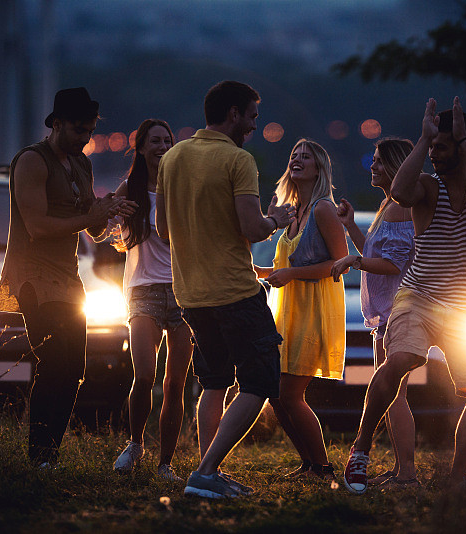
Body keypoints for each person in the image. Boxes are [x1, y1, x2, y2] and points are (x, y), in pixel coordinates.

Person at [342, 97, 466, 494]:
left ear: (464, 145)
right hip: (417, 296)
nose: (434, 154)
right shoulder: (427, 188)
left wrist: (463, 141)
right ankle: (361, 448)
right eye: (431, 147)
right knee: (402, 360)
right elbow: (400, 191)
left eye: (442, 146)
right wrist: (423, 138)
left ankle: (459, 478)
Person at [155, 80, 296, 499]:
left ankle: (207, 472)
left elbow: (163, 230)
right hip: (235, 292)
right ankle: (205, 472)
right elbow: (252, 227)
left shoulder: (172, 157)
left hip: (190, 295)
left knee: (214, 382)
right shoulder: (238, 159)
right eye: (251, 116)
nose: (254, 125)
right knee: (260, 381)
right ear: (233, 113)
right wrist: (277, 220)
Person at [0, 87, 137, 467]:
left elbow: (93, 229)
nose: (85, 138)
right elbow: (37, 227)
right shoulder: (32, 161)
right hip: (34, 276)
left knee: (74, 371)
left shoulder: (82, 164)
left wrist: (107, 212)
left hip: (68, 278)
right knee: (53, 365)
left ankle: (48, 456)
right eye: (78, 130)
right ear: (56, 124)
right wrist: (90, 216)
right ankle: (38, 455)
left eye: (89, 131)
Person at [253, 139, 347, 481]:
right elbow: (287, 265)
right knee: (276, 396)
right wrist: (260, 272)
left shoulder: (323, 209)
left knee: (290, 395)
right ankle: (308, 464)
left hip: (313, 312)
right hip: (288, 314)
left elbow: (341, 263)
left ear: (319, 169)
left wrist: (291, 274)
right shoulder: (294, 211)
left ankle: (323, 468)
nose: (297, 159)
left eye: (306, 157)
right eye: (294, 155)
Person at [109, 119, 193, 482]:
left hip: (183, 291)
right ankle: (135, 444)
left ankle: (165, 465)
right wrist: (105, 214)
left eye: (167, 141)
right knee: (144, 375)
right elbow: (102, 229)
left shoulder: (182, 187)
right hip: (143, 290)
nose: (162, 146)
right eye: (155, 141)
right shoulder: (130, 188)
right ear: (141, 148)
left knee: (175, 384)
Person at [330, 137, 417, 487]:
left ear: (395, 167)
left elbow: (392, 264)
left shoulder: (399, 208)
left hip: (397, 310)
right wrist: (351, 226)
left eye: (380, 161)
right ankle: (400, 470)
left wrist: (354, 260)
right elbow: (376, 254)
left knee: (395, 394)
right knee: (393, 394)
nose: (373, 165)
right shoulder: (388, 205)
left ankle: (406, 473)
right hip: (386, 311)